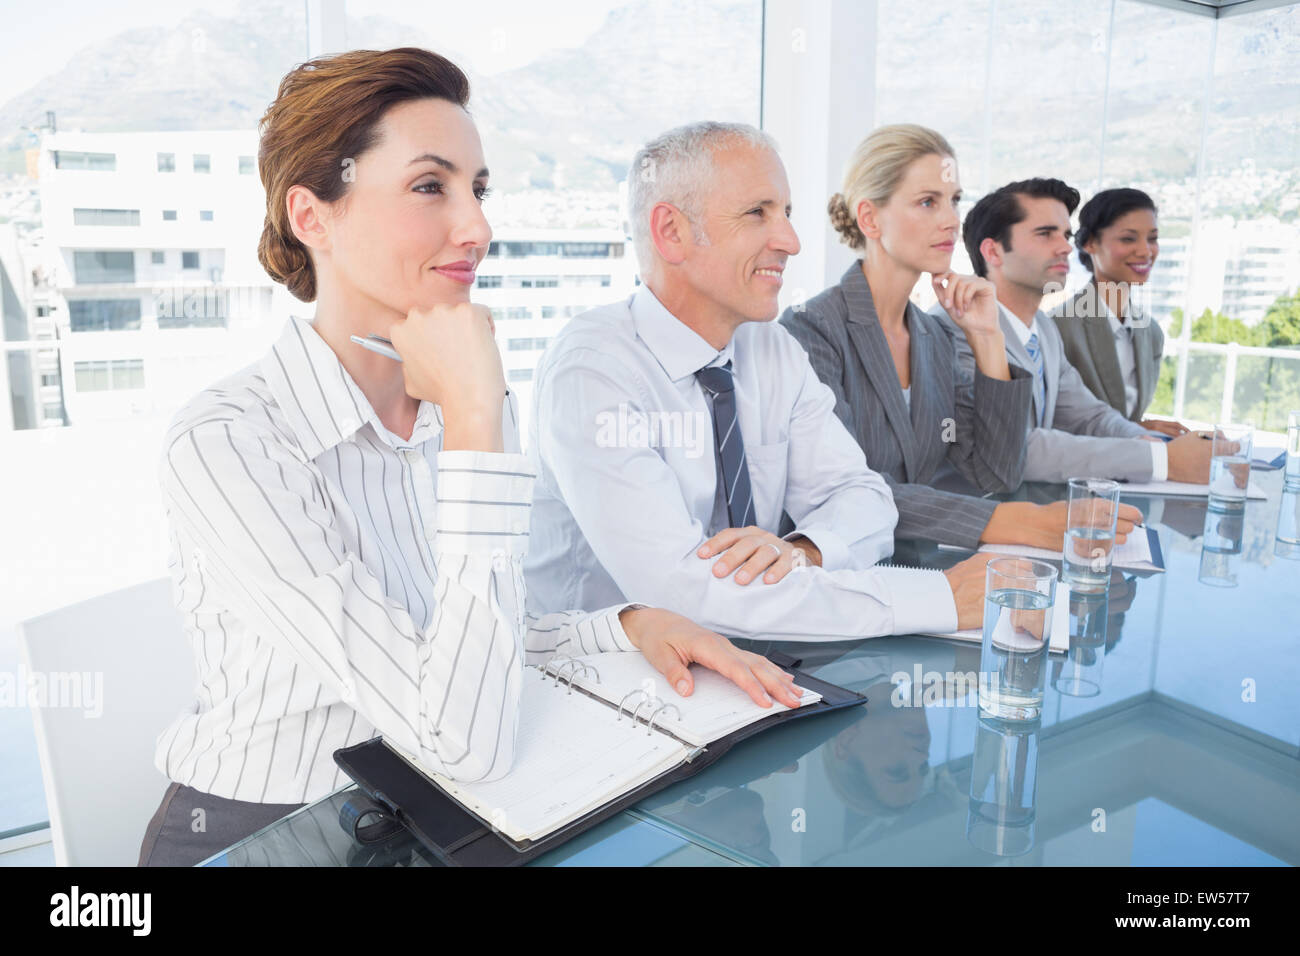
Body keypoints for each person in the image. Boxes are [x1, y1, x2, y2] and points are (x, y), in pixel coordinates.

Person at [138, 50, 799, 868]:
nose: (477, 226)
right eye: (430, 186)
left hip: (420, 813)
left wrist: (626, 625)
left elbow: (473, 643)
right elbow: (460, 738)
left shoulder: (460, 404)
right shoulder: (231, 442)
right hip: (268, 834)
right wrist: (478, 424)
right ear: (313, 216)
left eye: (477, 190)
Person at [525, 121, 998, 644]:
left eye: (788, 213)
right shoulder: (592, 371)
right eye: (758, 213)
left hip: (756, 668)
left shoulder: (771, 350)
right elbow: (680, 592)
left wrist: (803, 551)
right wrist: (938, 600)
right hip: (608, 688)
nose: (791, 242)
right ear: (671, 232)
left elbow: (866, 499)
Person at [781, 124, 1124, 552]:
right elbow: (847, 491)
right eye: (928, 202)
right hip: (834, 575)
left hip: (917, 565)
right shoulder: (811, 329)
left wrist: (988, 340)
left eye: (954, 200)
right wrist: (1012, 521)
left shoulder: (936, 335)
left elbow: (997, 472)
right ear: (870, 218)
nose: (950, 220)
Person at [936, 177, 1212, 485]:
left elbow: (1089, 417)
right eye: (1045, 234)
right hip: (970, 512)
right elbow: (1014, 447)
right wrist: (1161, 460)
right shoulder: (955, 326)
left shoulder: (1043, 329)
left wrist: (1162, 445)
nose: (1066, 247)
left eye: (1066, 234)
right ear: (994, 252)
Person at [1051, 187, 1180, 434]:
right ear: (1090, 243)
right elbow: (1052, 423)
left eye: (1152, 238)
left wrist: (1141, 429)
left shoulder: (1151, 332)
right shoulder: (1059, 327)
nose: (1145, 251)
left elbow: (1126, 414)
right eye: (1128, 239)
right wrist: (1136, 430)